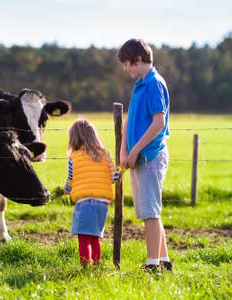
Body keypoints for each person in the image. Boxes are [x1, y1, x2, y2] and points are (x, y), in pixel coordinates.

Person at [117, 38, 172, 273]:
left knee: (150, 213)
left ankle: (152, 266)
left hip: (150, 157)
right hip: (137, 158)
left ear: (138, 59)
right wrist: (123, 150)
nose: (125, 69)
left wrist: (136, 149)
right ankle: (164, 261)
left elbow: (159, 123)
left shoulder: (153, 84)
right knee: (148, 211)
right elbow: (130, 119)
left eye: (127, 64)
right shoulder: (140, 84)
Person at [64, 118, 119, 266]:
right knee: (95, 237)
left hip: (84, 203)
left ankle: (84, 265)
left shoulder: (74, 158)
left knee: (83, 238)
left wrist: (66, 190)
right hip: (102, 203)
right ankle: (96, 263)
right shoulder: (104, 154)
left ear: (73, 139)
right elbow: (114, 177)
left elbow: (71, 179)